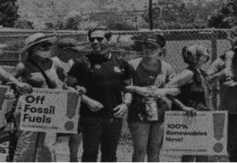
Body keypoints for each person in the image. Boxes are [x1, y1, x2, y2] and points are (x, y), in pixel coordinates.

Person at [66, 29, 131, 162]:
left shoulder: (121, 63)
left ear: (109, 40)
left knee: (110, 155)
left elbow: (128, 89)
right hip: (90, 118)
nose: (95, 42)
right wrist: (87, 100)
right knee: (90, 154)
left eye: (100, 39)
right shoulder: (82, 63)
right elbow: (68, 86)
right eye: (92, 39)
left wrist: (125, 105)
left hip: (114, 117)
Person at [13, 32, 72, 162]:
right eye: (41, 45)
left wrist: (74, 89)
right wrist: (19, 84)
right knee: (27, 147)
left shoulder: (54, 64)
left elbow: (66, 82)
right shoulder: (23, 66)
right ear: (32, 48)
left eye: (48, 44)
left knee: (47, 147)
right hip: (30, 111)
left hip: (50, 112)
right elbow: (9, 81)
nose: (46, 47)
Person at [124, 33, 177, 162]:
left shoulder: (166, 67)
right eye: (145, 46)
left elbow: (176, 89)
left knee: (155, 150)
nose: (148, 50)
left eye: (153, 47)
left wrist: (163, 91)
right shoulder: (132, 65)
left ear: (161, 50)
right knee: (140, 149)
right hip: (138, 112)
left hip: (159, 112)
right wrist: (138, 89)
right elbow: (125, 87)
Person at [167, 44, 214, 162]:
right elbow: (167, 89)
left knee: (204, 153)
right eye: (203, 56)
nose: (206, 58)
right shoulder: (188, 73)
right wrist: (183, 107)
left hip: (203, 117)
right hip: (191, 117)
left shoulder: (202, 73)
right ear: (194, 57)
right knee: (189, 153)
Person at [52, 40, 83, 162]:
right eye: (73, 51)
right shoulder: (53, 62)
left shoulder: (72, 62)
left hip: (70, 103)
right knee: (52, 135)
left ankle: (73, 159)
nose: (76, 53)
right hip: (56, 102)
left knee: (76, 133)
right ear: (65, 50)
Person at [220, 28, 237, 162]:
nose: (228, 40)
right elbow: (227, 69)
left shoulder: (230, 53)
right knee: (232, 144)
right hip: (231, 107)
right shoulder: (229, 54)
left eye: (230, 37)